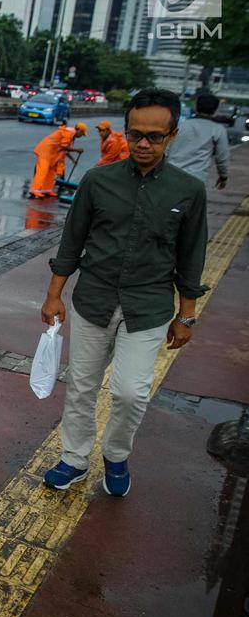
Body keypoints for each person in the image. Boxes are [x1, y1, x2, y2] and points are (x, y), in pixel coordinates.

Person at [40, 88, 207, 497]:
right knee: (81, 385)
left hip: (148, 306)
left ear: (172, 136)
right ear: (126, 132)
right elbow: (71, 242)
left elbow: (190, 256)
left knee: (130, 392)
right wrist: (54, 294)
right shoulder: (99, 181)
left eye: (154, 136)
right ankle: (75, 459)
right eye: (135, 135)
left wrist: (186, 316)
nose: (143, 144)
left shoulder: (188, 190)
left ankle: (116, 455)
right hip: (92, 300)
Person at [168, 93, 230, 190]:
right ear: (215, 110)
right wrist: (223, 176)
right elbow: (222, 156)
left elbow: (165, 149)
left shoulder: (180, 125)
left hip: (171, 174)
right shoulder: (218, 129)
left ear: (196, 106)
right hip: (197, 178)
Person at [29, 122, 86, 198]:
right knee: (43, 170)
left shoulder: (71, 135)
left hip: (52, 153)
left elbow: (65, 150)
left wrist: (73, 159)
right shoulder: (69, 133)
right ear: (79, 131)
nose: (81, 136)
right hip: (45, 150)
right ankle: (34, 189)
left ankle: (46, 190)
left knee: (51, 171)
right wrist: (77, 150)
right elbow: (63, 146)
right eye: (82, 134)